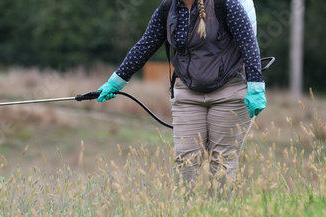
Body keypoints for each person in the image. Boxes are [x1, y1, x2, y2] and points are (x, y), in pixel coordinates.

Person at [97, 0, 267, 186]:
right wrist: (115, 82)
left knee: (222, 164)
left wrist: (256, 86)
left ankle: (218, 214)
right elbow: (145, 46)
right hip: (188, 94)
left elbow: (249, 46)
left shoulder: (225, 5)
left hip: (229, 93)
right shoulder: (167, 9)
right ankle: (187, 214)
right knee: (185, 164)